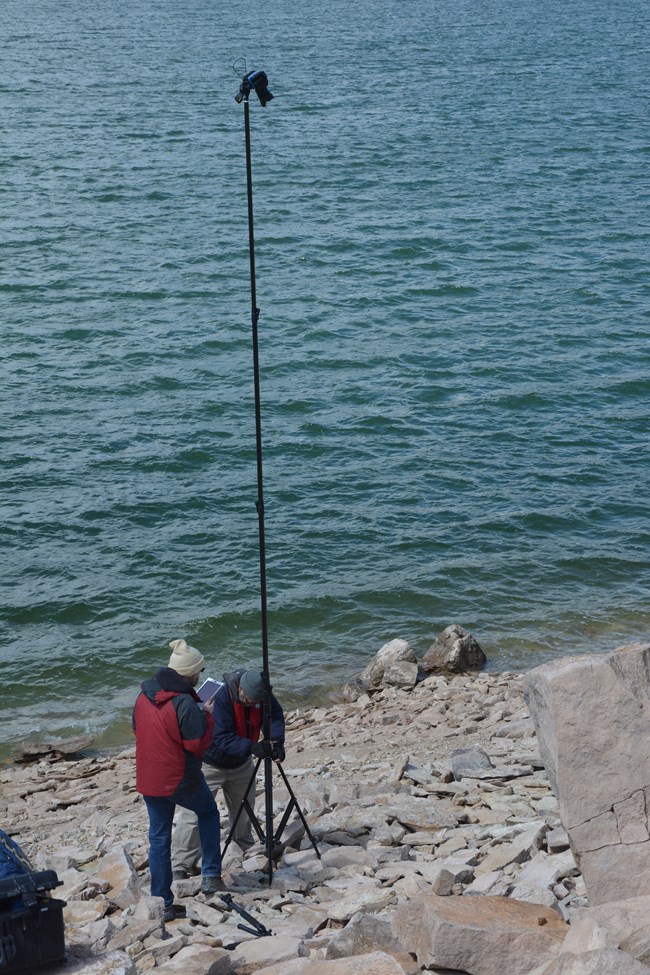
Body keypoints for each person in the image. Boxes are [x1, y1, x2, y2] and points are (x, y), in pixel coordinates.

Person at [133, 639, 227, 920]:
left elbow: (138, 729)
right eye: (199, 670)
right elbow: (196, 745)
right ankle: (210, 875)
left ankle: (162, 900)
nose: (201, 674)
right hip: (178, 777)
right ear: (190, 674)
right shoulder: (184, 701)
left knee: (159, 836)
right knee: (208, 812)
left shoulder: (142, 696)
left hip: (149, 777)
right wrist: (207, 716)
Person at [172, 667, 285, 878]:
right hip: (210, 764)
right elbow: (220, 738)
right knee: (194, 813)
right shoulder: (221, 698)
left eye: (257, 701)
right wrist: (253, 747)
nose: (253, 704)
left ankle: (243, 849)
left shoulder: (262, 694)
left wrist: (277, 741)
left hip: (241, 765)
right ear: (240, 688)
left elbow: (276, 716)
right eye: (249, 700)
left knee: (245, 809)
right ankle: (181, 864)